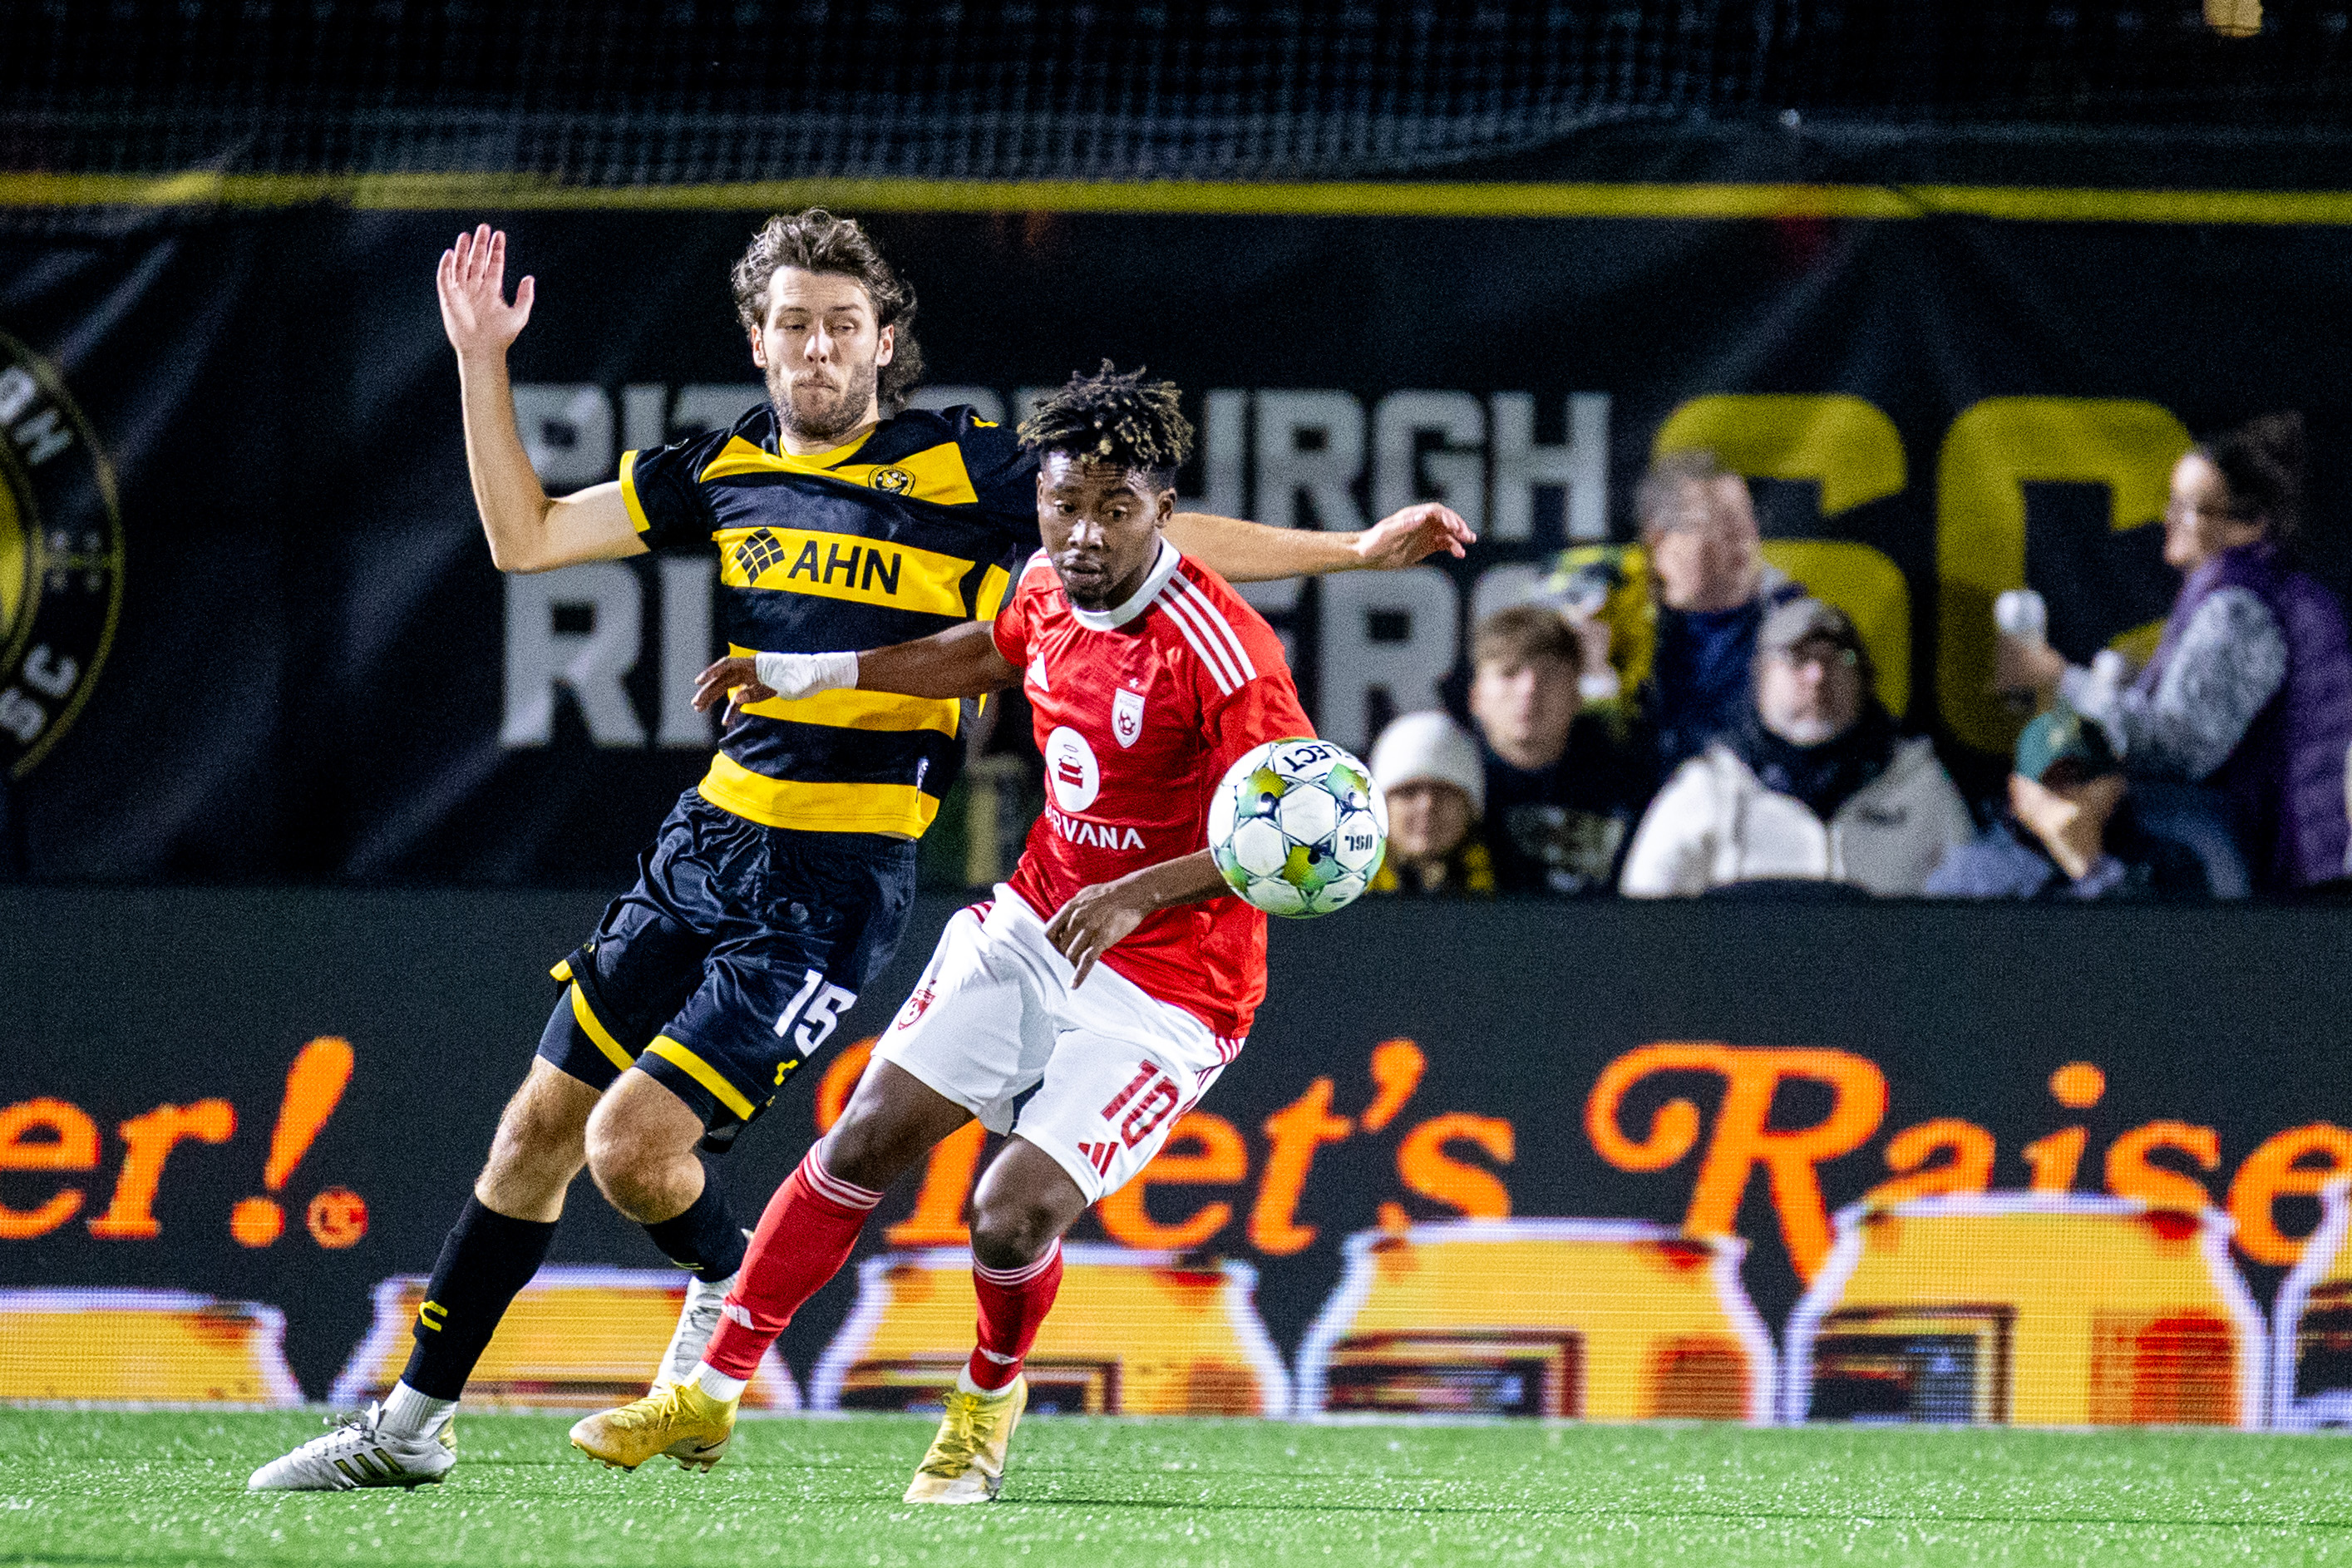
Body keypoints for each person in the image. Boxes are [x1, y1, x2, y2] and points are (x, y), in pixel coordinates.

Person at [247, 219, 1472, 1492]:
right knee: (533, 1135)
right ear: (758, 341)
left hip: (839, 875)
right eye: (792, 322)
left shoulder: (965, 465)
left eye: (843, 322)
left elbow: (1139, 529)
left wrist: (1350, 550)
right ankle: (408, 1426)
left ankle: (750, 1311)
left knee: (638, 1151)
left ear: (885, 342)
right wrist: (476, 361)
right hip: (708, 837)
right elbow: (526, 537)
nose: (817, 344)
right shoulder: (719, 467)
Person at [566, 366, 1314, 1502]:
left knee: (1007, 1214)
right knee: (866, 1136)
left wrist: (1143, 891)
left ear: (1165, 511)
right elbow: (984, 651)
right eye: (1064, 503)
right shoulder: (1046, 587)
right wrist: (798, 670)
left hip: (1174, 985)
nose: (1082, 532)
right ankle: (705, 1396)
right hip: (1033, 920)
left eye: (1117, 508)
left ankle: (983, 1407)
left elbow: (1294, 830)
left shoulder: (1224, 651)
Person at [1998, 412, 2352, 894]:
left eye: (2190, 508)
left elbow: (2172, 751)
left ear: (2248, 526)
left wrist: (2058, 675)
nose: (2168, 517)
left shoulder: (2241, 611)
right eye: (2173, 501)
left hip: (2281, 878)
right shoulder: (2261, 593)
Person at [1620, 598, 1970, 897]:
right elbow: (1643, 925)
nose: (1817, 676)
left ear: (1865, 679)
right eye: (1796, 658)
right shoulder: (1709, 788)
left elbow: (1968, 921)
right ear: (1759, 679)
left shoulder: (1921, 784)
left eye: (1838, 659)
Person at [1546, 448, 1808, 786]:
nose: (1740, 534)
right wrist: (1595, 678)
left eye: (1745, 516)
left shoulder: (1796, 623)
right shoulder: (1593, 611)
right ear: (1658, 539)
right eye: (1715, 522)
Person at [1926, 708, 2211, 901]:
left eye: (2079, 780)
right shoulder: (1974, 874)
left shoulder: (2168, 866)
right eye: (2051, 785)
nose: (2067, 801)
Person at [1465, 606, 1642, 895]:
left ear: (1577, 695)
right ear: (1476, 697)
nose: (1529, 689)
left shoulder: (1629, 783)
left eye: (1549, 673)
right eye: (1509, 673)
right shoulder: (1446, 790)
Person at [1364, 710, 1493, 896]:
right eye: (1409, 792)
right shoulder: (1336, 896)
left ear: (1471, 809)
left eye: (1444, 790)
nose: (1428, 805)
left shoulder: (1516, 889)